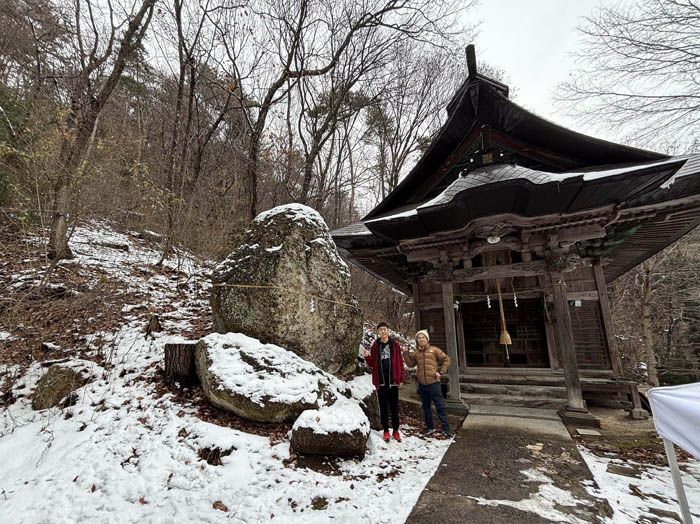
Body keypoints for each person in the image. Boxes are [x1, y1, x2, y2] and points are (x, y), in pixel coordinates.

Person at [403, 330, 453, 438]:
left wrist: (441, 372)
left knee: (440, 406)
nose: (421, 339)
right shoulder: (416, 352)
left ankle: (446, 429)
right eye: (419, 338)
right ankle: (430, 427)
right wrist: (406, 353)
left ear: (427, 339)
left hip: (434, 383)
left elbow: (447, 359)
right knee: (426, 407)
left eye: (423, 337)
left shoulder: (434, 350)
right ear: (417, 340)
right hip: (422, 384)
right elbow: (411, 364)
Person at [361, 321, 405, 443]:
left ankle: (396, 430)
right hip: (381, 382)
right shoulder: (375, 345)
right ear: (378, 332)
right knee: (383, 407)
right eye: (380, 330)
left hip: (393, 381)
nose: (383, 331)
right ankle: (386, 431)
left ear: (388, 330)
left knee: (394, 407)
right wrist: (366, 357)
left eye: (385, 329)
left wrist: (401, 378)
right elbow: (372, 364)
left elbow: (400, 361)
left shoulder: (394, 344)